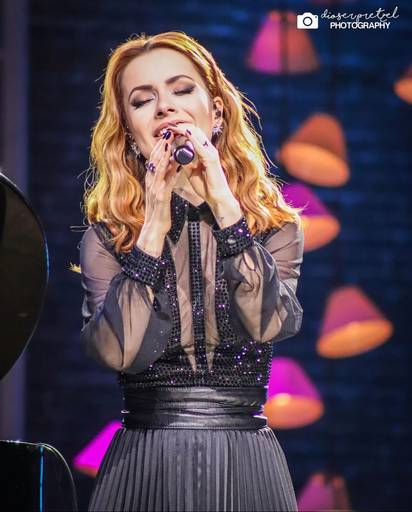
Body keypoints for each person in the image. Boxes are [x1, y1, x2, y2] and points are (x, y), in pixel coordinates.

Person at [79, 30, 304, 512]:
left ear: (216, 112)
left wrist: (223, 202)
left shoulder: (274, 227)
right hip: (144, 463)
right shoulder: (108, 238)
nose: (165, 107)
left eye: (181, 90)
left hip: (245, 462)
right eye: (143, 100)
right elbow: (118, 352)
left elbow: (270, 323)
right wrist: (153, 227)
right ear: (130, 132)